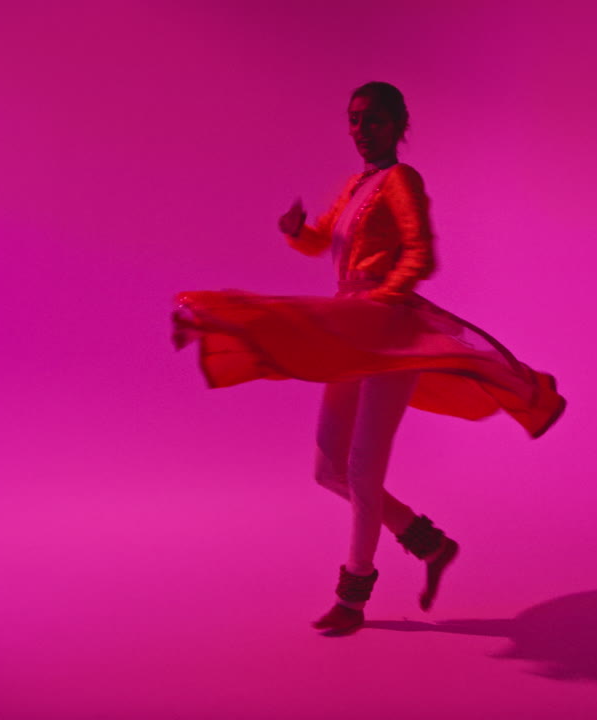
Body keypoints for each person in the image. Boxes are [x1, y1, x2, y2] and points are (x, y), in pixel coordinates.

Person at [173, 82, 565, 636]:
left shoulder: (402, 180)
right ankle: (430, 544)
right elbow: (326, 240)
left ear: (399, 125)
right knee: (328, 469)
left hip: (389, 330)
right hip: (351, 325)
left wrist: (385, 297)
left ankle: (353, 595)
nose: (361, 130)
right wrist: (298, 234)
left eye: (375, 120)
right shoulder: (357, 184)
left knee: (361, 469)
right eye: (354, 119)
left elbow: (420, 253)